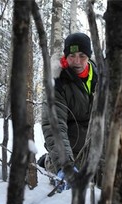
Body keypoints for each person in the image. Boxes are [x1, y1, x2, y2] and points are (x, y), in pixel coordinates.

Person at [38, 32, 98, 192]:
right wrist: (65, 164)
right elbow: (54, 125)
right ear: (66, 56)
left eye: (82, 55)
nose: (77, 61)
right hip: (71, 150)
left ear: (89, 56)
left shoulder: (101, 77)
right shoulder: (57, 81)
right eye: (71, 55)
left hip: (97, 146)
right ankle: (50, 161)